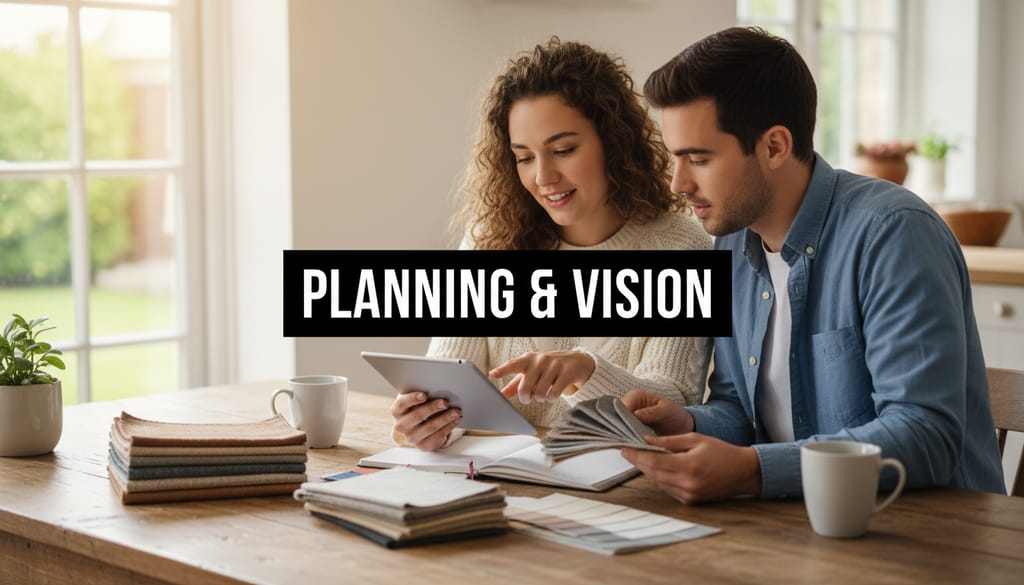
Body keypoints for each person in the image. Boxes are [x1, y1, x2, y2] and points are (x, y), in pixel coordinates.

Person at [620, 26, 1005, 503]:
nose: (678, 184)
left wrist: (753, 471)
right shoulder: (731, 243)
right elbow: (739, 407)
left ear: (775, 146)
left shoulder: (893, 234)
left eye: (698, 159)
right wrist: (688, 422)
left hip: (930, 531)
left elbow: (925, 435)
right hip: (800, 525)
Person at [390, 37, 712, 451]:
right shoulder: (489, 240)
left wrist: (586, 372)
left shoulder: (681, 248)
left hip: (622, 480)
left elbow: (673, 407)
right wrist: (428, 422)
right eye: (524, 157)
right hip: (495, 476)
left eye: (563, 150)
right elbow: (446, 380)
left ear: (614, 143)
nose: (543, 177)